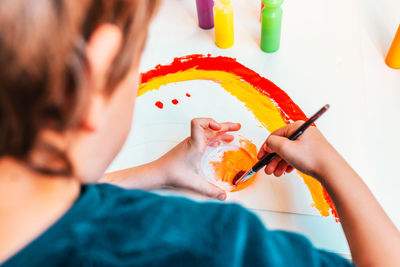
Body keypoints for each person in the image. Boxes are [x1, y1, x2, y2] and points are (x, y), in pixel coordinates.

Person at [0, 0, 399, 266]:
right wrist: (331, 166)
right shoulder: (211, 243)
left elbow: (52, 207)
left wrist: (156, 172)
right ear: (95, 73)